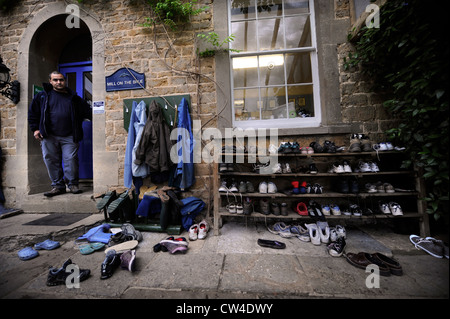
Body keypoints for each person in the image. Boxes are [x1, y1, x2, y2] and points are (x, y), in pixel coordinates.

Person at [28, 71, 92, 197]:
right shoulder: (42, 96)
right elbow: (33, 114)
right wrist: (35, 129)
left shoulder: (74, 98)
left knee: (71, 159)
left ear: (65, 81)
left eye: (61, 80)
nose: (59, 82)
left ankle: (72, 184)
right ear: (50, 81)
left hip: (69, 135)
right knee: (51, 160)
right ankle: (58, 186)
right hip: (48, 135)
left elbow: (88, 112)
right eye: (55, 80)